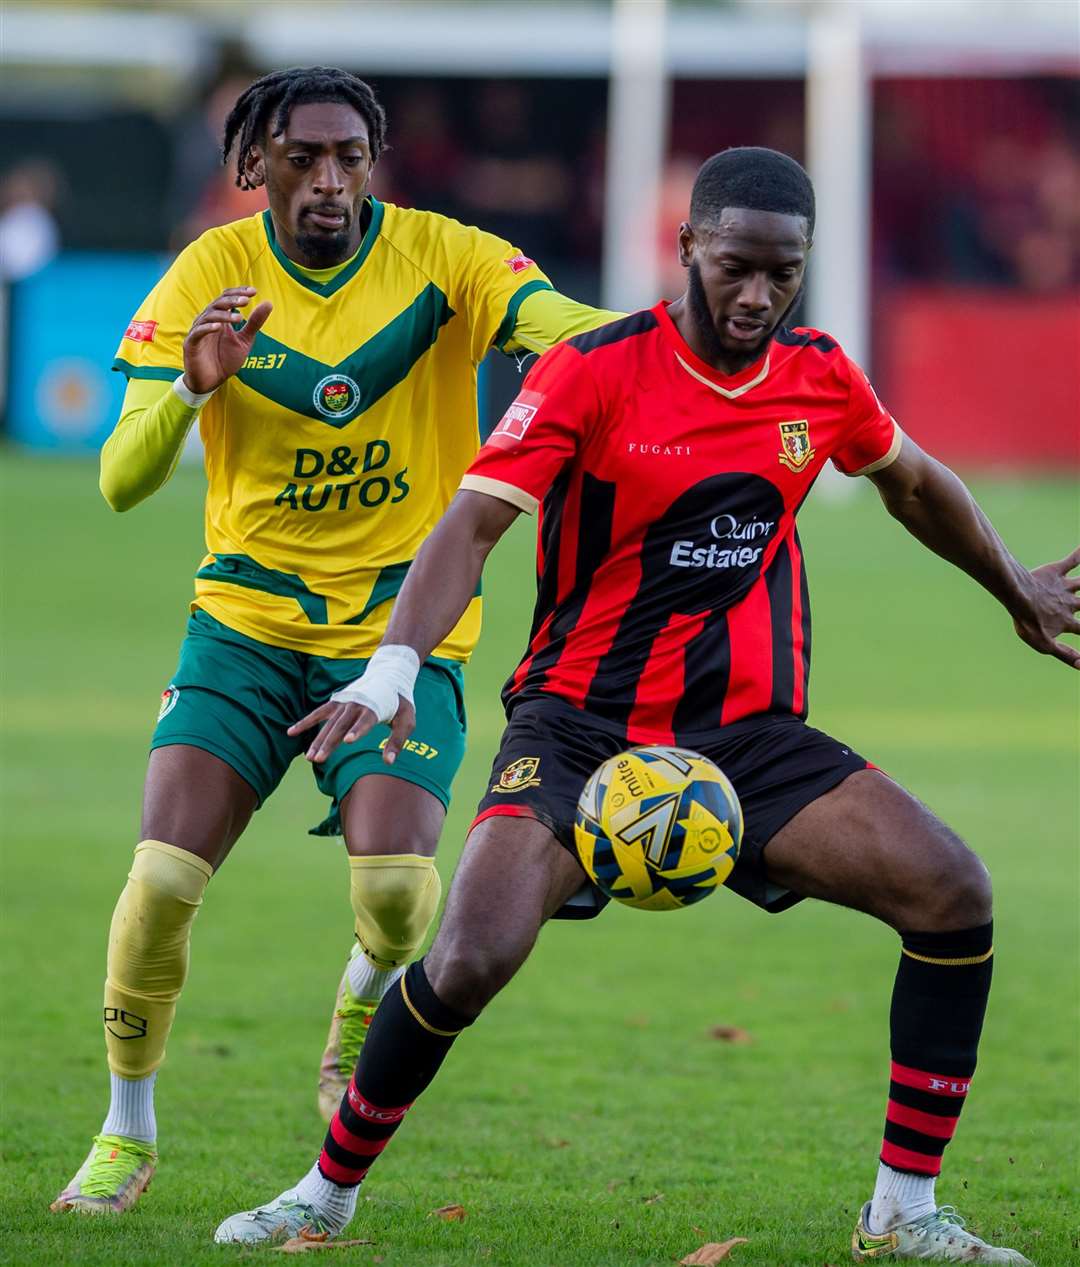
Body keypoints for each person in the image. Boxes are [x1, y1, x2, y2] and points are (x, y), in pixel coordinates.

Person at [215, 148, 1078, 1261]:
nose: (758, 296)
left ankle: (903, 1210)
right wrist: (391, 664)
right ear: (684, 250)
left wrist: (1015, 584)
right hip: (577, 724)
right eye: (734, 267)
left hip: (746, 735)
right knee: (472, 953)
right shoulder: (592, 368)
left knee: (952, 891)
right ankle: (320, 1195)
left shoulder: (818, 374)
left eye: (783, 273)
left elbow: (911, 479)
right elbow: (472, 523)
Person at [50, 65, 619, 1216]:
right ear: (252, 166)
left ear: (376, 163)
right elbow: (120, 479)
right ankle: (125, 1128)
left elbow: (571, 329)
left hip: (402, 630)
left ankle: (362, 993)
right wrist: (192, 391)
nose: (329, 181)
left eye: (350, 158)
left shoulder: (448, 256)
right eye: (303, 158)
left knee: (406, 897)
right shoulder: (212, 269)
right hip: (246, 625)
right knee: (160, 878)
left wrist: (670, 332)